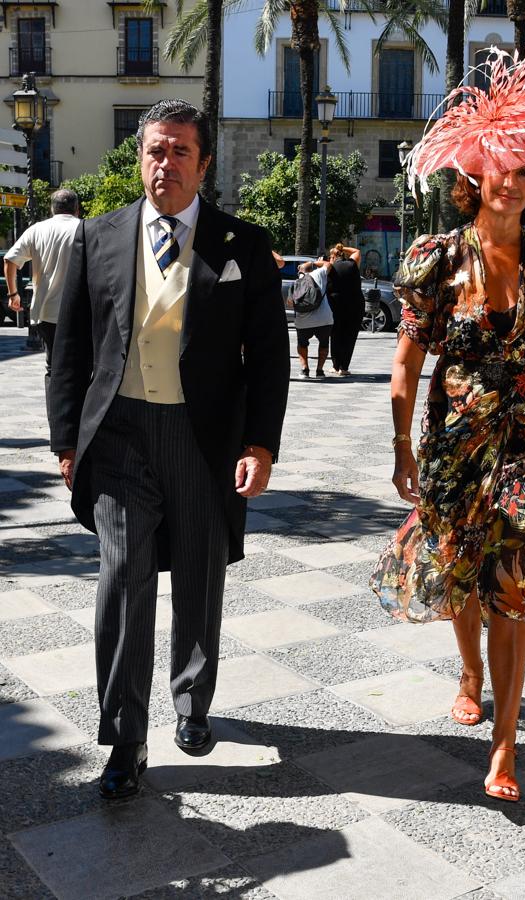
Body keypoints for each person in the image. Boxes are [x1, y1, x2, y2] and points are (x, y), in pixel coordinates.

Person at [48, 100, 290, 799]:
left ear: (204, 162)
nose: (166, 163)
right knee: (122, 580)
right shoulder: (99, 237)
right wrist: (68, 440)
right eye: (156, 150)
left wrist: (260, 444)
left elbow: (269, 358)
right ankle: (125, 738)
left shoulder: (242, 243)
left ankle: (192, 700)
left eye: (181, 150)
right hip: (120, 433)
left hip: (202, 436)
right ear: (140, 158)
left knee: (199, 572)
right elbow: (70, 351)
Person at [370, 47, 525, 804]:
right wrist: (402, 446)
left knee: (515, 585)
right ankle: (468, 670)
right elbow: (405, 364)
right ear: (473, 178)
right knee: (462, 574)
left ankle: (505, 744)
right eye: (500, 167)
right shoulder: (436, 261)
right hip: (455, 444)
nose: (512, 180)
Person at [4, 189, 80, 423]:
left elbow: (10, 260)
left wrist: (13, 294)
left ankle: (56, 423)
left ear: (52, 208)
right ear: (77, 208)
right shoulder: (84, 228)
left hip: (45, 313)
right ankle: (77, 423)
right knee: (80, 369)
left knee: (53, 369)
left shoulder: (37, 230)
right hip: (78, 312)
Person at [327, 242, 365, 376]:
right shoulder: (352, 264)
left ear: (332, 257)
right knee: (350, 336)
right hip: (355, 305)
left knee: (336, 334)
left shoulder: (330, 267)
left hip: (336, 305)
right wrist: (341, 248)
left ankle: (335, 366)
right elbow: (357, 252)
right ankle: (344, 367)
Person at [293, 259, 333, 378]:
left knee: (302, 344)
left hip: (303, 321)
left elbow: (291, 301)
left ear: (300, 270)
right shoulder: (319, 273)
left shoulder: (298, 280)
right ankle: (320, 371)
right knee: (324, 343)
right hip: (324, 319)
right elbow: (328, 264)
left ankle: (305, 369)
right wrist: (314, 262)